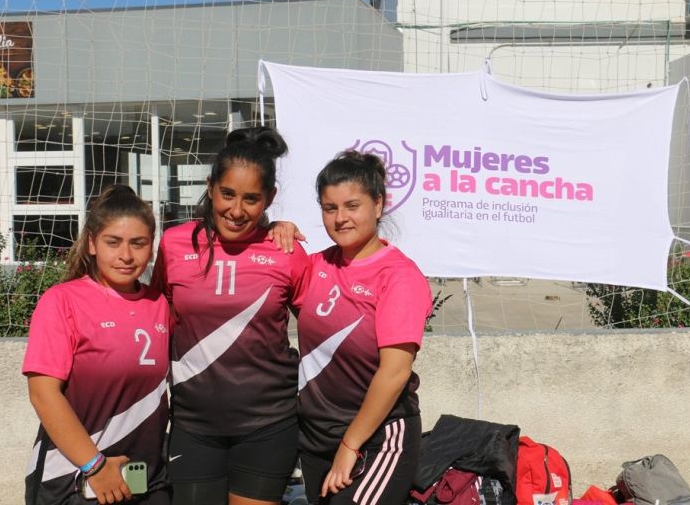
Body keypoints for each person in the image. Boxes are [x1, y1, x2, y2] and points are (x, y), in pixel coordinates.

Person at [151, 126, 311, 505]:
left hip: (269, 425)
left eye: (252, 199)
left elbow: (323, 328)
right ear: (210, 187)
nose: (237, 211)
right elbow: (153, 318)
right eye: (228, 194)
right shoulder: (174, 244)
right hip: (193, 425)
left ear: (269, 198)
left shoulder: (286, 250)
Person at [297, 151, 432, 505]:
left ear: (378, 204)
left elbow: (395, 373)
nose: (340, 218)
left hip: (376, 439)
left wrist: (350, 445)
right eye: (330, 208)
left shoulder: (399, 278)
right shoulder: (315, 266)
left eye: (352, 205)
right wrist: (276, 231)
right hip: (315, 437)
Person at [23, 184, 171, 505]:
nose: (126, 256)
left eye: (138, 243)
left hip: (147, 480)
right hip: (74, 480)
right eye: (113, 242)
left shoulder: (161, 303)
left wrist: (272, 228)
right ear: (92, 243)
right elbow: (43, 394)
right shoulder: (62, 301)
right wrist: (95, 465)